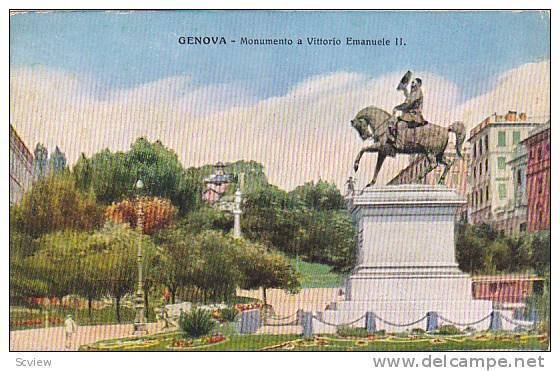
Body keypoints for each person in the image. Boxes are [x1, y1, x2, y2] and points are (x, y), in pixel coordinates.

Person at [388, 74, 428, 144]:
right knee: (394, 121)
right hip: (409, 114)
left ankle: (400, 143)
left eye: (413, 83)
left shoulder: (418, 92)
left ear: (418, 84)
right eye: (412, 82)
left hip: (414, 115)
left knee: (400, 124)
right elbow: (408, 98)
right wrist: (404, 89)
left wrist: (397, 108)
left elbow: (409, 104)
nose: (411, 84)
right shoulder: (414, 92)